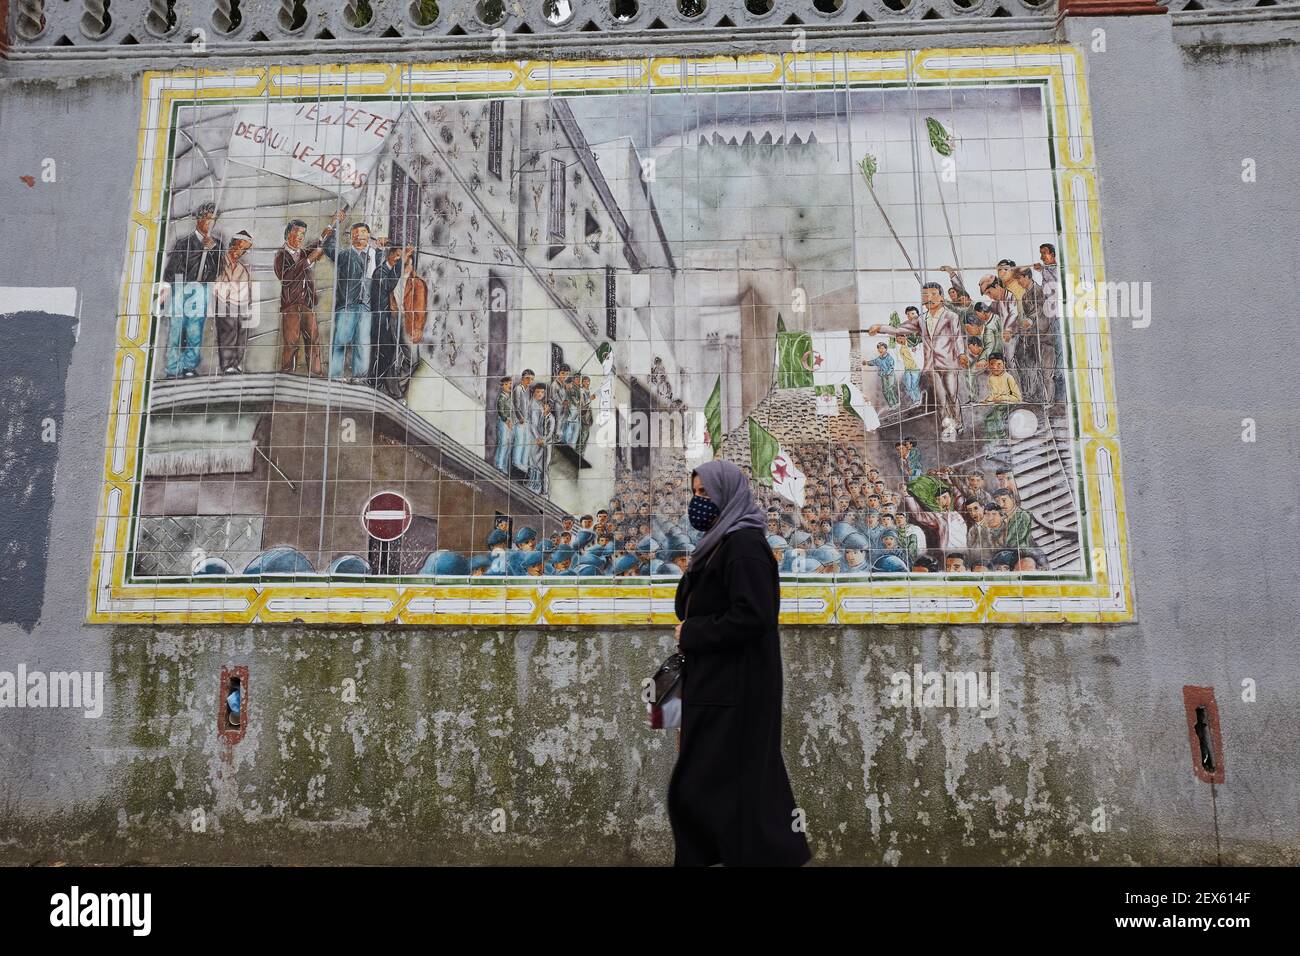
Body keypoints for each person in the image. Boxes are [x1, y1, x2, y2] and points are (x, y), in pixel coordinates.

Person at [669, 459, 811, 867]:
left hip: (735, 689)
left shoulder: (743, 546)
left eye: (704, 495)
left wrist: (693, 634)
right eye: (693, 495)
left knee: (703, 786)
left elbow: (754, 615)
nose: (697, 503)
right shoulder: (720, 544)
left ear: (726, 496)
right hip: (718, 686)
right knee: (731, 784)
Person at [161, 200, 223, 379]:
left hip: (202, 288)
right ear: (199, 219)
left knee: (195, 330)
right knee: (176, 329)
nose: (210, 223)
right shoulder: (184, 243)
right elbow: (171, 270)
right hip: (180, 287)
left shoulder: (216, 246)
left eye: (214, 220)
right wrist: (166, 289)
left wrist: (212, 249)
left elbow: (218, 268)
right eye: (208, 219)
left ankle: (189, 365)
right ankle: (173, 368)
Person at [323, 216, 379, 382]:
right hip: (347, 305)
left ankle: (359, 379)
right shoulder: (345, 255)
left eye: (362, 232)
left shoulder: (377, 255)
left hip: (367, 306)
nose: (358, 235)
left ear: (368, 235)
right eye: (354, 233)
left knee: (362, 344)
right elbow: (329, 246)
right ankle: (334, 378)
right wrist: (333, 224)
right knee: (340, 340)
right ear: (351, 237)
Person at [274, 217, 332, 376]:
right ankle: (287, 376)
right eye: (298, 233)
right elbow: (287, 277)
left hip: (307, 304)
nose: (301, 237)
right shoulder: (281, 255)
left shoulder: (301, 252)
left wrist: (323, 236)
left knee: (313, 341)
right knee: (291, 343)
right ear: (288, 234)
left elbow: (315, 247)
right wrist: (309, 260)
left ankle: (316, 374)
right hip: (291, 306)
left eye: (303, 234)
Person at [212, 229, 254, 374]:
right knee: (228, 332)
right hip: (225, 302)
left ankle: (236, 363)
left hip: (241, 304)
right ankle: (228, 364)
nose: (240, 252)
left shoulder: (242, 269)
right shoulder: (219, 262)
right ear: (232, 244)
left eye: (244, 250)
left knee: (241, 332)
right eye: (239, 247)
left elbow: (247, 289)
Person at [864, 341, 899, 408]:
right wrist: (866, 362)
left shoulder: (889, 358)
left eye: (882, 348)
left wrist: (887, 373)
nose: (881, 350)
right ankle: (891, 404)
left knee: (890, 389)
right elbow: (873, 362)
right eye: (879, 348)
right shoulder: (879, 359)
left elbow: (891, 367)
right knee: (885, 390)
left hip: (890, 375)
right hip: (883, 376)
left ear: (886, 349)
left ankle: (896, 403)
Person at [494, 376, 514, 473]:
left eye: (510, 384)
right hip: (503, 422)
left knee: (508, 444)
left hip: (509, 422)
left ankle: (504, 466)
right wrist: (506, 420)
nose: (509, 386)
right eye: (507, 384)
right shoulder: (501, 397)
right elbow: (500, 411)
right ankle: (499, 464)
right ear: (502, 386)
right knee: (503, 443)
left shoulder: (509, 397)